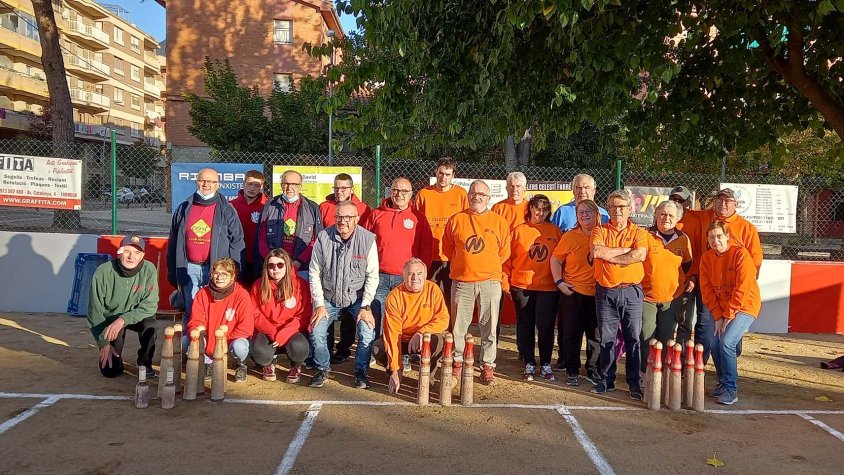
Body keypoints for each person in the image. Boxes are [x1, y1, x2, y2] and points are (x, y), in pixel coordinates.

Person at [679, 188, 762, 364]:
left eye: (728, 201)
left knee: (730, 335)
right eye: (720, 200)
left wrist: (745, 283)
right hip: (710, 281)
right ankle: (703, 361)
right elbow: (683, 212)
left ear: (735, 204)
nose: (723, 204)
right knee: (706, 324)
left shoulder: (746, 228)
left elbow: (755, 260)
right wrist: (680, 201)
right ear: (714, 202)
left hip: (736, 288)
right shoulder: (704, 217)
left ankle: (728, 358)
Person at [442, 180, 510, 385]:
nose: (476, 197)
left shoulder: (499, 222)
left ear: (488, 198)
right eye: (473, 193)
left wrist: (486, 267)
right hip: (462, 282)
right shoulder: (456, 219)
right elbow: (447, 249)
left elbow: (504, 252)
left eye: (481, 194)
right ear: (468, 196)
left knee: (489, 327)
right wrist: (465, 266)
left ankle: (487, 365)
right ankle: (458, 361)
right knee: (459, 327)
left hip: (490, 282)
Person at [167, 168, 245, 344]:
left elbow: (237, 241)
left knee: (214, 310)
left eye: (211, 181)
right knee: (193, 309)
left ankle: (212, 348)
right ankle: (192, 349)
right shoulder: (184, 207)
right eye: (203, 181)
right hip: (190, 268)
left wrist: (235, 270)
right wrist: (172, 271)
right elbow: (173, 241)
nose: (206, 184)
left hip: (217, 270)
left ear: (217, 184)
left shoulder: (227, 209)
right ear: (196, 182)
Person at [308, 201, 380, 389]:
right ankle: (322, 368)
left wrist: (365, 306)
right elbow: (314, 272)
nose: (343, 221)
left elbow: (372, 275)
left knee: (367, 331)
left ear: (356, 219)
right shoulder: (323, 237)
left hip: (357, 298)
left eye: (348, 217)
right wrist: (319, 304)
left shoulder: (368, 239)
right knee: (316, 331)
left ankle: (361, 371)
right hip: (329, 298)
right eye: (339, 217)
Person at [590, 190, 648, 399]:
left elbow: (640, 254)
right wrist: (626, 251)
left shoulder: (639, 232)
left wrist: (610, 254)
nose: (617, 211)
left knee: (633, 338)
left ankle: (634, 383)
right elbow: (597, 252)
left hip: (632, 291)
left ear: (630, 208)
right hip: (606, 291)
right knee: (607, 338)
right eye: (613, 207)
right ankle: (607, 380)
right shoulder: (600, 230)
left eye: (622, 207)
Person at [699, 221, 761, 405]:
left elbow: (742, 288)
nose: (715, 240)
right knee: (714, 343)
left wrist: (728, 315)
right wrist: (718, 316)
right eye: (711, 237)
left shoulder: (740, 254)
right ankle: (722, 381)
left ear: (727, 237)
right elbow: (707, 290)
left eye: (719, 236)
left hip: (744, 306)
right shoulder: (706, 258)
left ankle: (731, 388)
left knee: (726, 342)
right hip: (722, 308)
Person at [504, 194, 562, 382]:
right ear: (530, 209)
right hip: (522, 285)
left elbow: (562, 259)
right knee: (525, 323)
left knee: (545, 326)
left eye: (545, 209)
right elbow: (507, 258)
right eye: (537, 208)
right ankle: (528, 361)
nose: (540, 212)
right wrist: (506, 282)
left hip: (548, 287)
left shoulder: (555, 231)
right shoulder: (519, 230)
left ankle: (545, 362)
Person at [372, 258, 449, 394]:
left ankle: (427, 376)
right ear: (403, 276)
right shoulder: (394, 297)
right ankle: (395, 373)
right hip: (402, 340)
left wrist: (421, 333)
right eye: (410, 274)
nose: (415, 278)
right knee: (379, 348)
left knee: (438, 342)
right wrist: (396, 368)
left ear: (425, 276)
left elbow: (443, 319)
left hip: (423, 338)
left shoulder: (433, 290)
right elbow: (393, 334)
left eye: (419, 274)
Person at [88, 235, 159, 378]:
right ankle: (116, 359)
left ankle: (144, 363)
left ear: (142, 256)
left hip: (136, 316)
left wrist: (123, 320)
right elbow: (94, 311)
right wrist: (103, 342)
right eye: (127, 251)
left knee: (151, 325)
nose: (131, 256)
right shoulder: (102, 272)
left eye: (137, 253)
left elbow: (150, 305)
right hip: (111, 320)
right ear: (119, 252)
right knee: (110, 371)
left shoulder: (149, 269)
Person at [362, 177, 433, 319]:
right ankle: (378, 342)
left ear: (411, 194)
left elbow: (426, 248)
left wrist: (420, 274)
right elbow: (364, 243)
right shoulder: (376, 214)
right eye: (395, 190)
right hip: (379, 277)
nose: (399, 194)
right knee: (378, 317)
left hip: (406, 278)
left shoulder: (419, 218)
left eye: (404, 191)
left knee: (404, 317)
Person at [318, 173, 371, 364]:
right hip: (329, 265)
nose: (339, 191)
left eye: (343, 188)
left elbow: (364, 236)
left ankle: (344, 348)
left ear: (351, 190)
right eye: (336, 187)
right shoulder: (324, 207)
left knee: (350, 313)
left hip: (353, 268)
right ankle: (327, 350)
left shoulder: (363, 209)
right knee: (327, 310)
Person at [550, 200, 601, 387]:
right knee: (572, 333)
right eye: (580, 212)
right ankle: (572, 370)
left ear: (597, 213)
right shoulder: (570, 236)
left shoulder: (604, 234)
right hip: (573, 292)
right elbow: (555, 259)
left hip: (598, 293)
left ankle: (592, 369)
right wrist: (560, 282)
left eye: (589, 211)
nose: (585, 215)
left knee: (596, 335)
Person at [640, 201, 693, 372]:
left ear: (678, 218)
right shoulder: (644, 235)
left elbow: (687, 264)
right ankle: (644, 373)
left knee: (666, 336)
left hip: (672, 298)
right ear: (656, 215)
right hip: (647, 297)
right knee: (646, 336)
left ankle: (660, 373)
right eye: (662, 214)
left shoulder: (683, 239)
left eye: (671, 215)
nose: (666, 218)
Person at [187, 257, 255, 382]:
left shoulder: (242, 295)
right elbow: (195, 320)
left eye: (224, 274)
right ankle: (208, 362)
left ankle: (241, 365)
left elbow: (246, 328)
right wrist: (201, 333)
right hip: (209, 338)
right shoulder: (202, 293)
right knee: (186, 341)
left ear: (232, 276)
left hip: (231, 340)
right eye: (216, 273)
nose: (219, 277)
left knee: (240, 346)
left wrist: (222, 342)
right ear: (211, 274)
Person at [414, 157, 469, 309]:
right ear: (436, 172)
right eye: (441, 173)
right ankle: (431, 329)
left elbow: (466, 222)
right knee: (430, 295)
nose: (443, 177)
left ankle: (452, 330)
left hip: (453, 255)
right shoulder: (424, 194)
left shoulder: (461, 194)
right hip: (430, 255)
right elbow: (417, 224)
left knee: (453, 295)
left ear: (453, 175)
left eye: (447, 174)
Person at [250, 249, 312, 384]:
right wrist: (272, 331)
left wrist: (285, 333)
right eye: (271, 266)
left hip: (291, 330)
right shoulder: (258, 285)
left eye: (280, 265)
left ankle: (296, 366)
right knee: (258, 350)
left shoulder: (300, 285)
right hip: (267, 330)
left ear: (287, 265)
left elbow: (304, 314)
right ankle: (268, 363)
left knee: (299, 347)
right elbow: (255, 314)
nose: (275, 269)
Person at [255, 169, 323, 279]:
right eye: (286, 183)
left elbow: (316, 240)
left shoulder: (312, 208)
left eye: (294, 184)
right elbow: (261, 238)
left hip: (302, 269)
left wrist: (299, 262)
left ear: (300, 186)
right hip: (274, 268)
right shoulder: (270, 206)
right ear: (281, 185)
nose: (289, 188)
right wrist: (273, 262)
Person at [230, 169, 268, 286]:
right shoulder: (231, 206)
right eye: (249, 184)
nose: (252, 188)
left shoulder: (267, 206)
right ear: (243, 184)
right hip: (235, 258)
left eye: (256, 185)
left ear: (261, 187)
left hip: (258, 259)